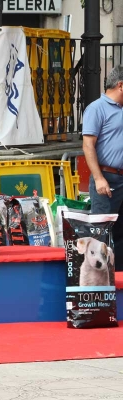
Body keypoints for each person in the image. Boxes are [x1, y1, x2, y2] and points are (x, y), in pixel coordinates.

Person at [82, 65, 123, 271]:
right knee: (102, 233)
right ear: (121, 85)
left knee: (121, 234)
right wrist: (98, 178)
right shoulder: (96, 108)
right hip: (107, 177)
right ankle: (100, 287)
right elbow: (88, 144)